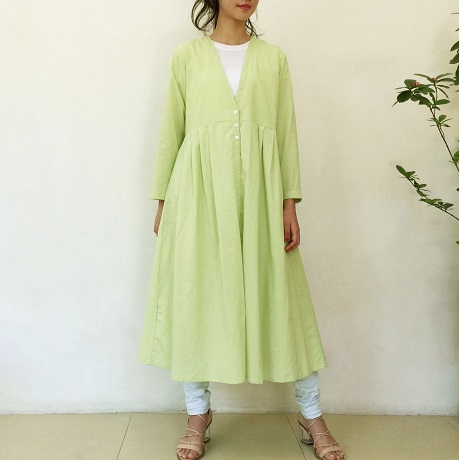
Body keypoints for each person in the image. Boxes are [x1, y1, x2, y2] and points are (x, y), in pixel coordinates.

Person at [138, 1, 345, 459]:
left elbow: (285, 132)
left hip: (261, 194)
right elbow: (172, 130)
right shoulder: (187, 56)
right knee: (196, 296)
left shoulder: (273, 59)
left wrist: (289, 201)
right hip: (198, 194)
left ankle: (312, 414)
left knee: (283, 298)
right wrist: (164, 201)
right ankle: (198, 413)